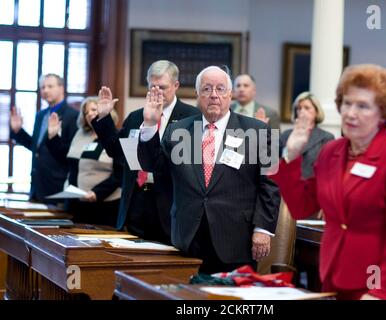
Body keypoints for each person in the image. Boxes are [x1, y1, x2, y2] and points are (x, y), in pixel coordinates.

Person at [270, 64, 386, 300]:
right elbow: (302, 206)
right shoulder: (331, 151)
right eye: (347, 103)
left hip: (381, 284)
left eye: (363, 106)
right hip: (335, 276)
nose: (351, 113)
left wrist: (380, 290)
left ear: (383, 112)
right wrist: (291, 156)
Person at [137, 66, 280, 274]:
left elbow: (271, 184)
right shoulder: (178, 131)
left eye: (220, 89)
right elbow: (152, 166)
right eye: (206, 89)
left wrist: (263, 229)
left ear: (230, 94)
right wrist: (150, 124)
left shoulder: (258, 130)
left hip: (236, 241)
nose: (214, 95)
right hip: (187, 239)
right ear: (197, 95)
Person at [92, 60, 199, 243]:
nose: (157, 93)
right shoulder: (136, 117)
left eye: (163, 88)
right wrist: (104, 117)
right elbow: (117, 152)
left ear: (176, 86)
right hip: (136, 202)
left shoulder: (191, 118)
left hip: (169, 206)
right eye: (152, 87)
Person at [46, 97, 122, 226]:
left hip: (103, 205)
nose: (90, 114)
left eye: (94, 109)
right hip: (76, 202)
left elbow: (120, 173)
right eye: (86, 112)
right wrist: (53, 137)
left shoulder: (113, 136)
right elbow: (65, 158)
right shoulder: (80, 134)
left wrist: (97, 192)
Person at [9, 73, 78, 203]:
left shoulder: (72, 116)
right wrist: (18, 131)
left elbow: (70, 153)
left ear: (61, 88)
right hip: (36, 186)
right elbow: (37, 148)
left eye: (50, 86)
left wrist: (54, 137)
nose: (45, 90)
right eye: (42, 87)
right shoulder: (40, 115)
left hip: (57, 187)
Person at [281, 92, 334, 179]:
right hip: (289, 183)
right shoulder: (286, 134)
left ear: (317, 112)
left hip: (311, 186)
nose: (302, 112)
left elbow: (327, 169)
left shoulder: (326, 137)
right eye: (299, 108)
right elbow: (278, 161)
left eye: (307, 108)